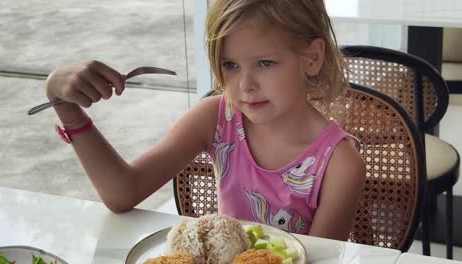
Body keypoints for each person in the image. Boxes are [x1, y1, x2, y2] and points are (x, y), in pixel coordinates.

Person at [45, 0, 365, 241]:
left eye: (265, 63)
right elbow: (123, 193)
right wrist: (66, 107)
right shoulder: (216, 118)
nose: (245, 85)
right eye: (230, 65)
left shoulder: (340, 163)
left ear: (312, 59)